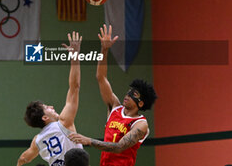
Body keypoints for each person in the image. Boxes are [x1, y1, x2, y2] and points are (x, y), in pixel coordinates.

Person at [69, 24, 157, 166]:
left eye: (133, 94)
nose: (127, 95)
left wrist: (89, 140)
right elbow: (101, 77)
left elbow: (119, 147)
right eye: (128, 91)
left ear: (140, 103)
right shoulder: (115, 107)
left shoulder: (140, 124)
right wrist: (104, 49)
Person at [17, 31, 83, 166]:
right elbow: (74, 87)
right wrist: (75, 56)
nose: (52, 107)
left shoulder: (37, 140)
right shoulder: (64, 123)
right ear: (45, 118)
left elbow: (24, 158)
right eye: (47, 108)